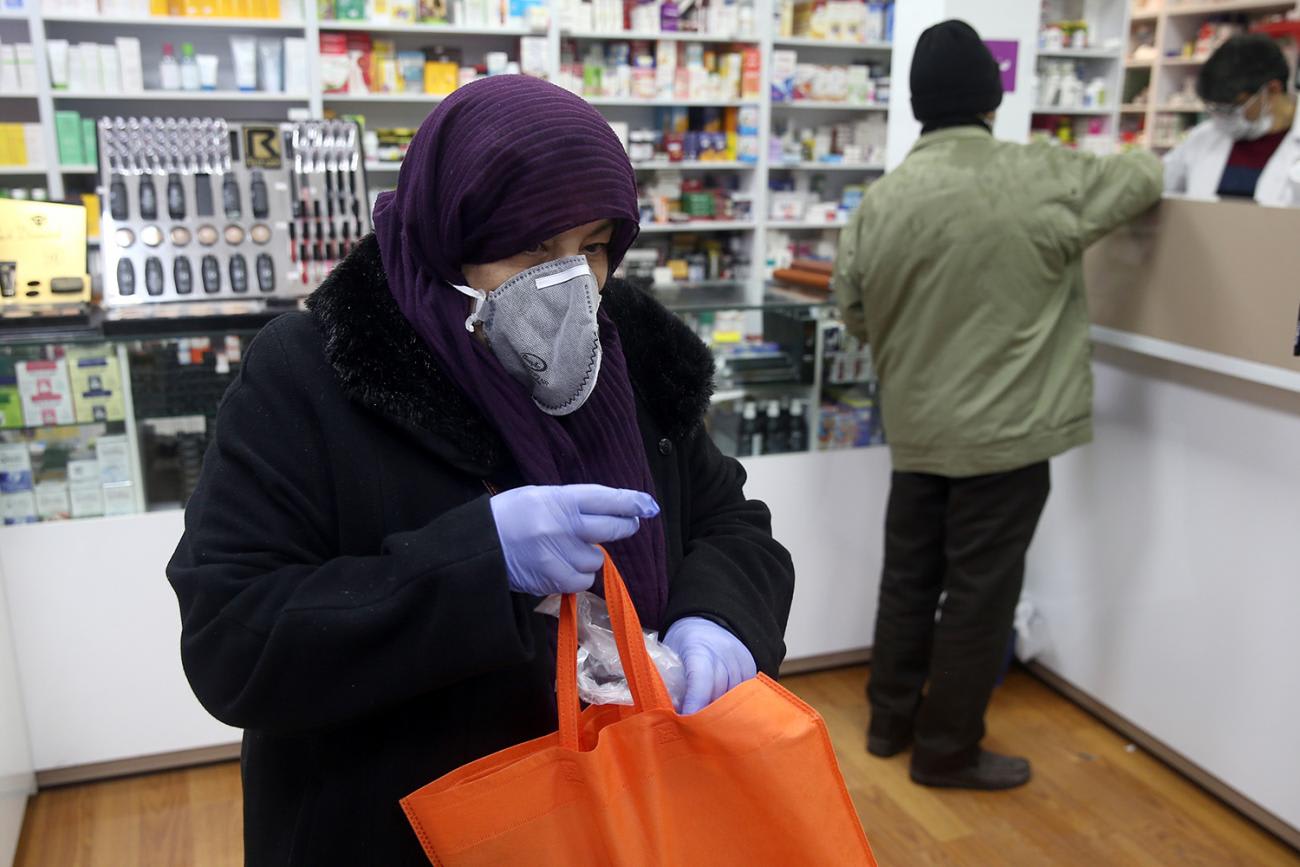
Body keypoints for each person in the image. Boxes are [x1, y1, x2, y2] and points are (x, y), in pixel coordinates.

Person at [167, 76, 795, 866]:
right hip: (397, 829)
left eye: (594, 245)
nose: (572, 281)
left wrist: (720, 615)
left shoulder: (635, 352)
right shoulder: (310, 374)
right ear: (448, 233)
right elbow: (232, 638)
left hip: (620, 814)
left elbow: (730, 520)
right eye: (533, 247)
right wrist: (477, 563)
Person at [833, 20, 1162, 791]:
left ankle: (888, 723)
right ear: (993, 97)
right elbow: (1142, 177)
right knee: (980, 592)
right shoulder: (1038, 172)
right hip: (1006, 433)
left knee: (908, 577)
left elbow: (853, 308)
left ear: (916, 103)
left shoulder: (882, 200)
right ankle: (947, 750)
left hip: (917, 428)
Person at [1164, 34, 1300, 206]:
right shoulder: (1202, 137)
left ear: (1272, 90)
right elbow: (1163, 187)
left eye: (1233, 108)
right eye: (1216, 109)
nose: (1223, 118)